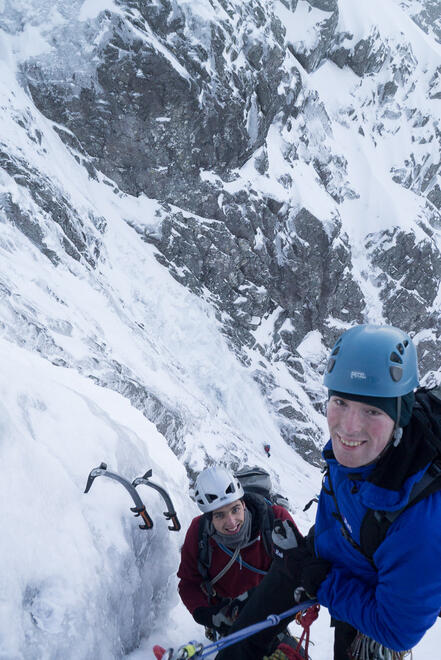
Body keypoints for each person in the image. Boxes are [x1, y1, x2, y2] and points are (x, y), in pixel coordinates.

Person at [216, 324, 441, 660]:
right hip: (330, 556)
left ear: (400, 417)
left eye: (372, 410)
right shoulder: (367, 451)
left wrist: (324, 583)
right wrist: (310, 558)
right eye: (341, 402)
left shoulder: (420, 522)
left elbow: (397, 629)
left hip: (370, 593)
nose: (349, 427)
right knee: (240, 644)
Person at [177, 465, 297, 643]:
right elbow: (189, 584)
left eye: (235, 509)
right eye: (219, 515)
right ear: (209, 518)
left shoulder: (275, 520)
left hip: (270, 609)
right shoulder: (199, 531)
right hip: (225, 616)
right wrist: (209, 616)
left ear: (243, 503)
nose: (231, 522)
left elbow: (299, 568)